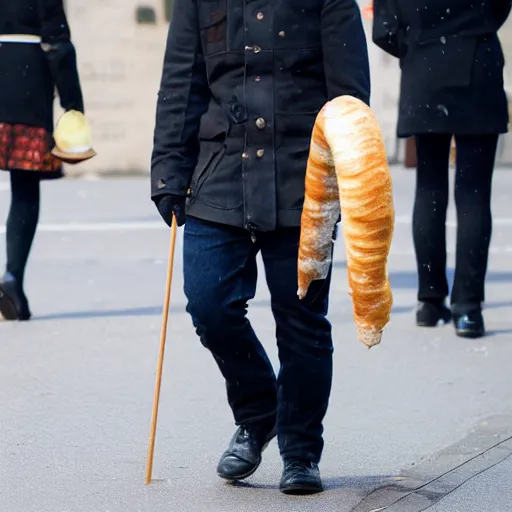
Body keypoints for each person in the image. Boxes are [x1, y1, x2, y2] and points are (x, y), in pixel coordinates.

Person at [151, 0, 370, 494]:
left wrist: (351, 180)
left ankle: (300, 451)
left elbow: (350, 101)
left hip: (303, 179)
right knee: (209, 305)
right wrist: (168, 170)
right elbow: (180, 87)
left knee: (301, 321)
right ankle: (259, 412)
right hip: (218, 174)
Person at [373, 0, 511, 338]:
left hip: (424, 68)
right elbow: (500, 7)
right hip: (477, 62)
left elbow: (384, 29)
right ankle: (467, 307)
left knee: (429, 186)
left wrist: (419, 45)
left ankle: (430, 300)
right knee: (474, 194)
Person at [0, 0, 84, 321]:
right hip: (26, 90)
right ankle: (12, 278)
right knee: (24, 188)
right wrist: (73, 105)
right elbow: (58, 45)